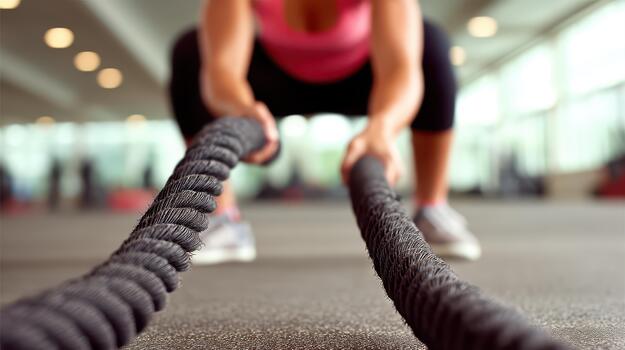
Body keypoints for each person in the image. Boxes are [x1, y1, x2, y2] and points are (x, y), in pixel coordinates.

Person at [169, 0, 481, 264]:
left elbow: (401, 68)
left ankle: (432, 207)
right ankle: (222, 218)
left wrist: (382, 128)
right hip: (276, 81)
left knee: (432, 43)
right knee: (189, 51)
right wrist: (242, 108)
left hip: (361, 78)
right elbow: (221, 71)